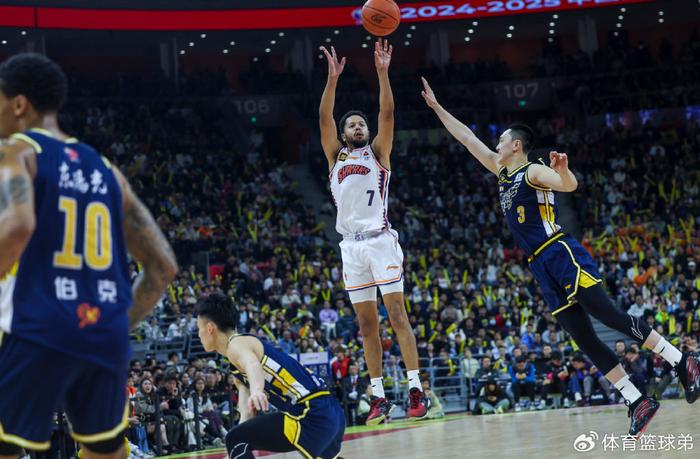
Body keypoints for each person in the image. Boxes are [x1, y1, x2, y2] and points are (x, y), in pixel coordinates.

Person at [420, 77, 700, 437]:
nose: (495, 144)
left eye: (501, 140)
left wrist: (564, 171)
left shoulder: (532, 170)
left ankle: (682, 360)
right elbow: (466, 138)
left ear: (516, 145)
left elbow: (569, 185)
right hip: (539, 265)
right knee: (583, 338)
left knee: (608, 315)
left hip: (559, 251)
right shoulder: (501, 171)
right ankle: (636, 399)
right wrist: (437, 107)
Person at [0, 53, 177, 458]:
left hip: (37, 329)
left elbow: (17, 226)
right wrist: (113, 324)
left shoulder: (16, 151)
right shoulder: (107, 170)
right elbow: (163, 267)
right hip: (102, 331)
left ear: (19, 104)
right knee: (105, 449)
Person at [319, 39, 429, 424]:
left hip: (380, 241)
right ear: (343, 133)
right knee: (367, 325)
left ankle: (415, 389)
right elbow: (324, 117)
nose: (358, 127)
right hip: (350, 248)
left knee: (397, 315)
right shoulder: (335, 156)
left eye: (361, 124)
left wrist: (382, 73)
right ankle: (379, 397)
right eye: (352, 124)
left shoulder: (378, 153)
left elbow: (387, 112)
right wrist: (332, 80)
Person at [196, 292, 345, 459]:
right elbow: (246, 415)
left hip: (310, 410)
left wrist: (257, 391)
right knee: (236, 437)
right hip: (328, 410)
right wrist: (234, 452)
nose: (198, 334)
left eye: (199, 329)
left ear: (210, 328)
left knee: (234, 438)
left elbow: (252, 364)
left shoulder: (237, 344)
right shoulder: (237, 365)